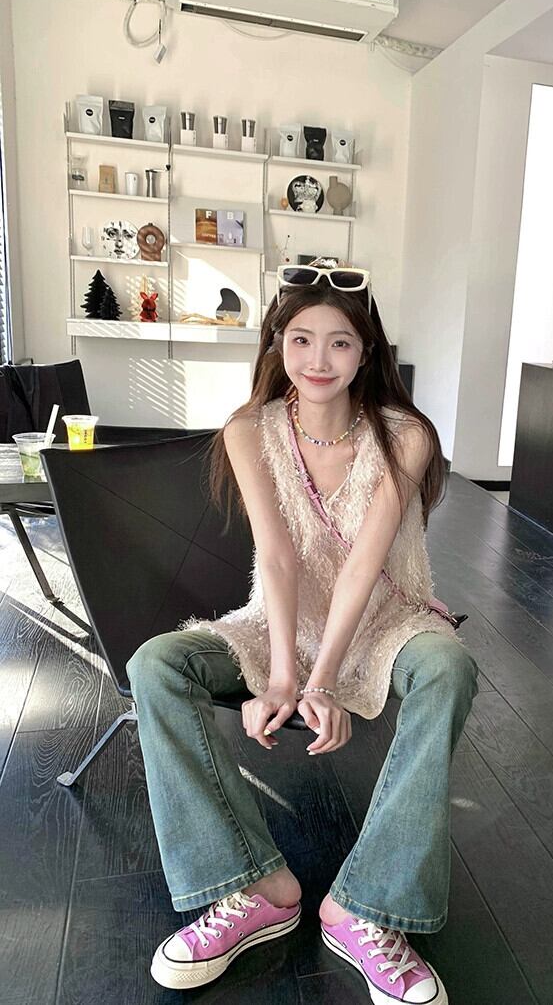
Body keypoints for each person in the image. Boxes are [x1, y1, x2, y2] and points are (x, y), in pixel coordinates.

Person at [126, 265, 479, 1003]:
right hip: (277, 623)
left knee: (448, 666)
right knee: (157, 662)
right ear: (277, 344)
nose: (319, 360)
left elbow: (363, 570)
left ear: (367, 351)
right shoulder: (249, 431)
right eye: (301, 340)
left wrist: (322, 682)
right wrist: (285, 675)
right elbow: (278, 558)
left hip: (383, 622)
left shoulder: (405, 436)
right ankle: (255, 886)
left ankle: (367, 907)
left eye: (340, 342)